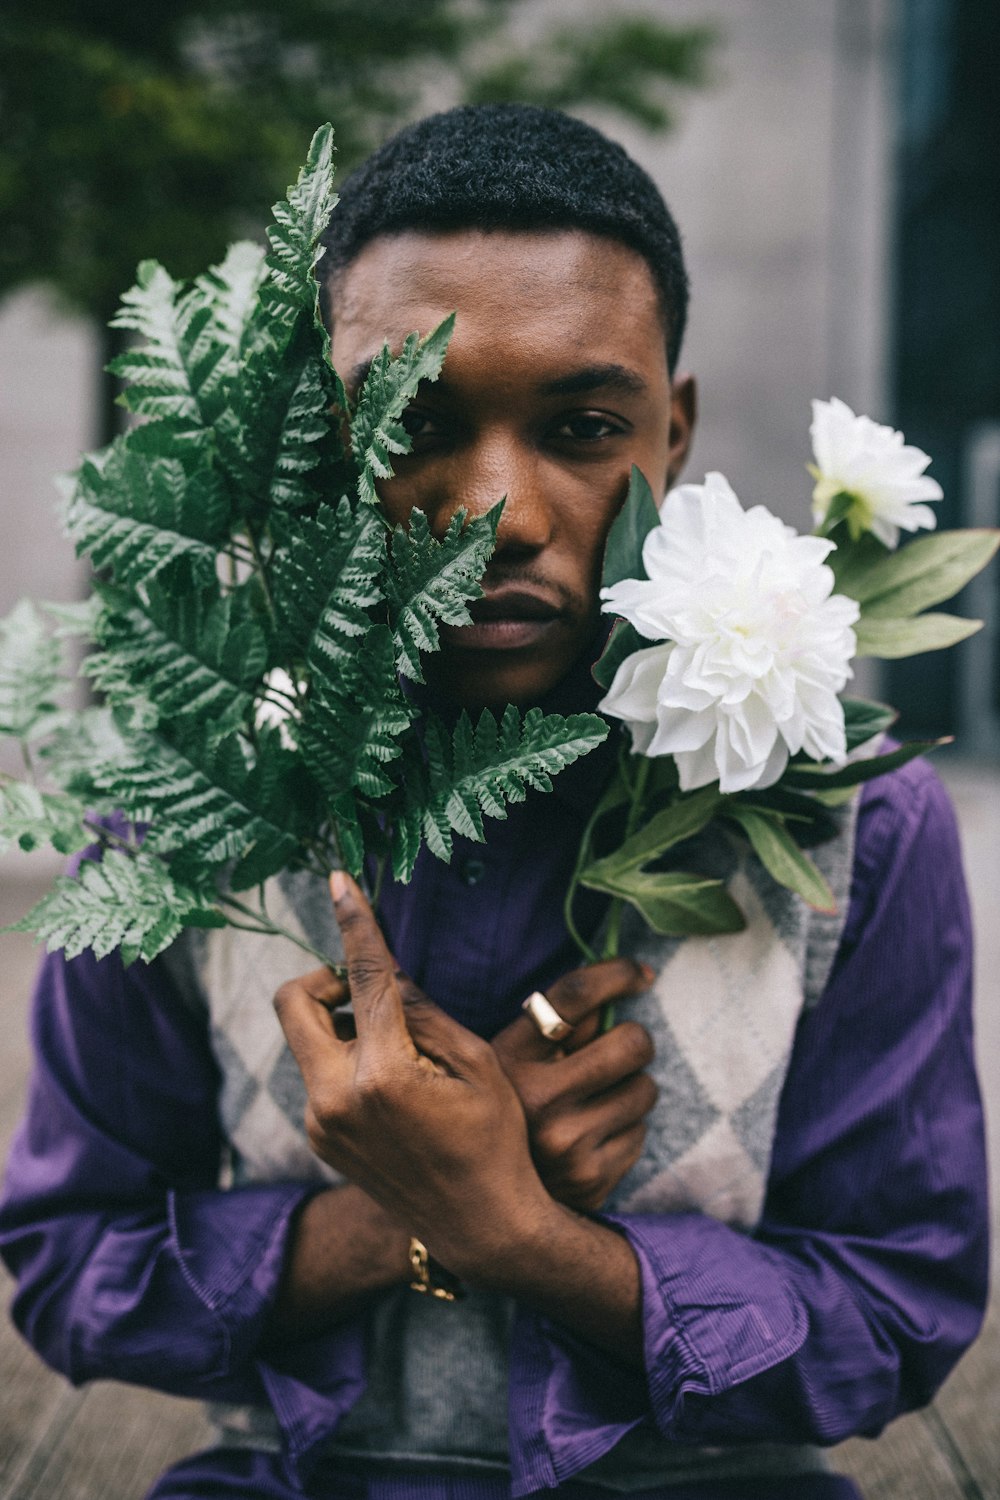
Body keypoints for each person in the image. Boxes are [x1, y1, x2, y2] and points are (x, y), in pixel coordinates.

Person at [0, 105, 989, 1500]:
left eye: (584, 428)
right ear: (317, 438)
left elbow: (901, 1306)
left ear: (674, 435)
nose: (499, 512)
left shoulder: (849, 825)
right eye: (412, 424)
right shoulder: (190, 801)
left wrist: (525, 1236)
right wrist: (396, 1215)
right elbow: (64, 1261)